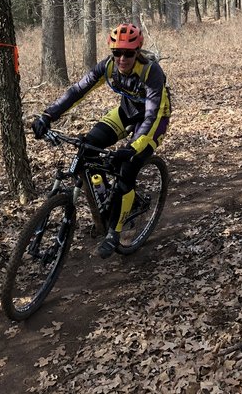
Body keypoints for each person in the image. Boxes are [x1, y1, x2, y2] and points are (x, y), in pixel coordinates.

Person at [32, 23, 171, 258]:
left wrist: (134, 147)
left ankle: (115, 232)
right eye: (117, 52)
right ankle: (105, 198)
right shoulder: (107, 67)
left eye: (128, 53)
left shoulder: (150, 72)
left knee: (128, 167)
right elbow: (77, 91)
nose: (122, 58)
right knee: (88, 148)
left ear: (137, 51)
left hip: (154, 119)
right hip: (126, 112)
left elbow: (152, 114)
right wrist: (48, 114)